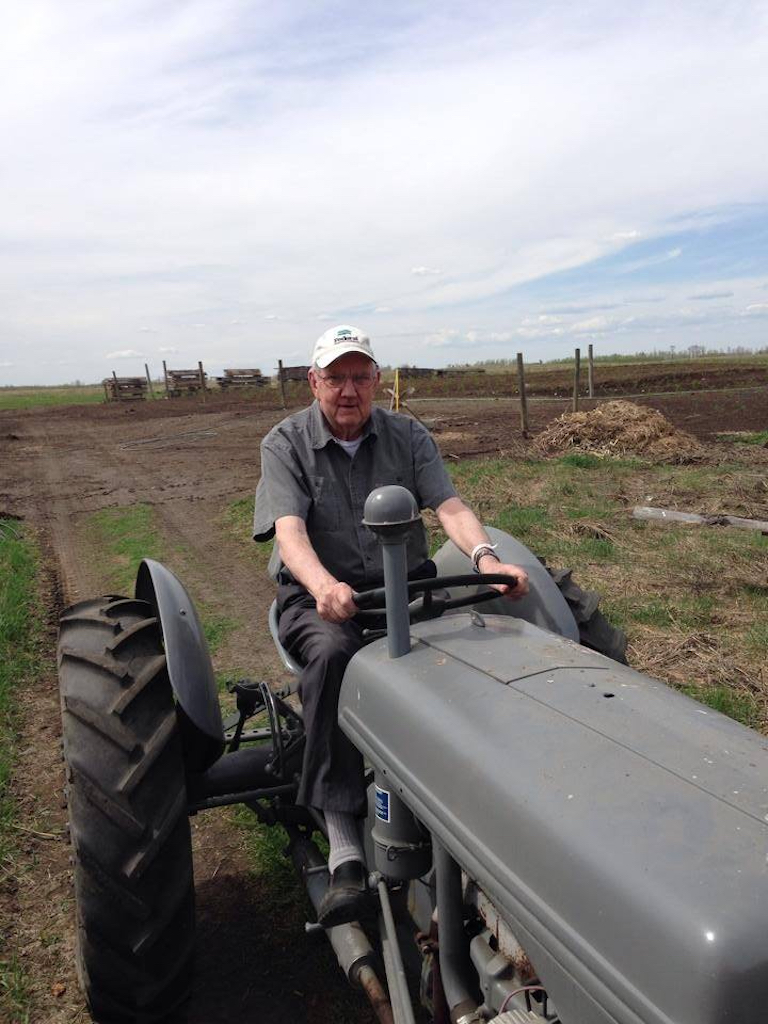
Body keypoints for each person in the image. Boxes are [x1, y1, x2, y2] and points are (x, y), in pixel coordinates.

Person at [253, 325, 529, 926]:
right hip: (323, 595)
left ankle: (478, 798)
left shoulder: (406, 435)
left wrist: (486, 558)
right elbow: (289, 532)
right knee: (331, 657)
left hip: (405, 587)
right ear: (313, 381)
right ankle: (343, 831)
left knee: (467, 649)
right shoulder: (286, 443)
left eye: (360, 376)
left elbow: (449, 505)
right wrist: (324, 586)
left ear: (377, 380)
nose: (348, 391)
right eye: (336, 377)